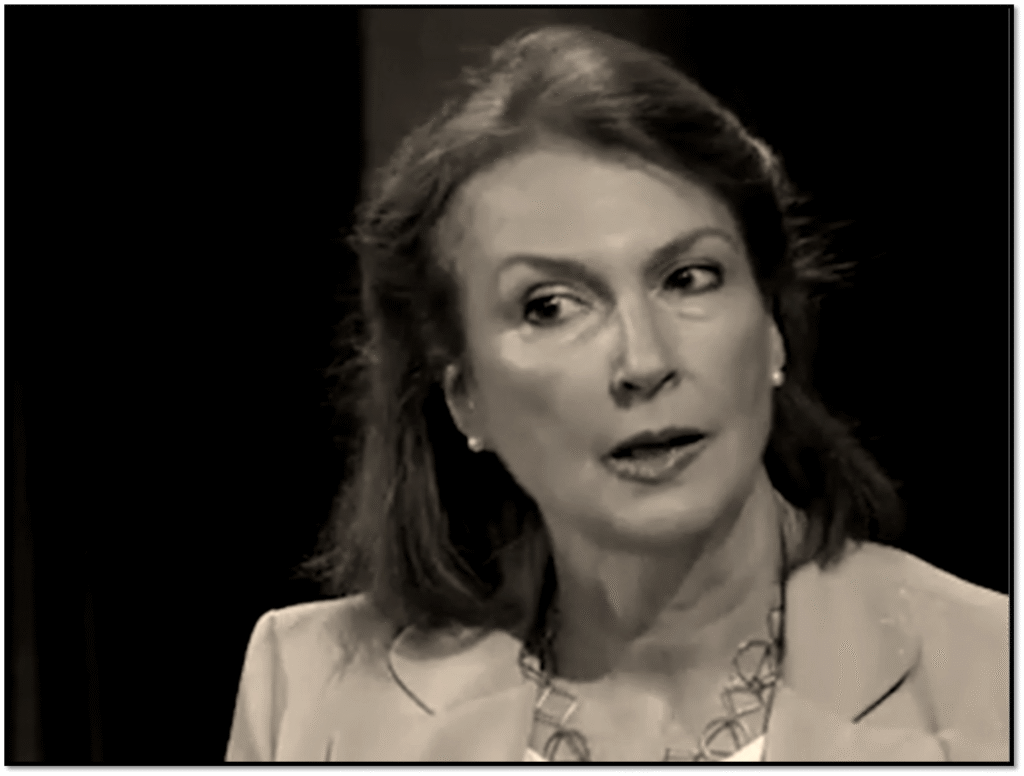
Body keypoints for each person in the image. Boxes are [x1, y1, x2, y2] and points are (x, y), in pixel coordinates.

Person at [224, 26, 1008, 761]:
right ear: (464, 397)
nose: (643, 360)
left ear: (772, 326)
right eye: (551, 306)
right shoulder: (312, 700)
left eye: (688, 278)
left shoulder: (987, 671)